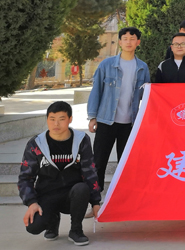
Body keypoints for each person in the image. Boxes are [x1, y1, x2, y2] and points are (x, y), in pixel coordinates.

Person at [18, 101, 102, 246]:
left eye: (61, 119)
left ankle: (76, 230)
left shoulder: (81, 140)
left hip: (71, 195)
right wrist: (31, 202)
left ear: (70, 119)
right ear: (47, 120)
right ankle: (52, 222)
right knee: (33, 227)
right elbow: (25, 177)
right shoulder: (36, 144)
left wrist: (95, 202)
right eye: (52, 119)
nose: (56, 124)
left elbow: (90, 172)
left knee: (82, 188)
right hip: (47, 194)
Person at [87, 26, 150, 192]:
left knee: (126, 162)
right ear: (120, 42)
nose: (129, 42)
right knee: (99, 161)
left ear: (138, 42)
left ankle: (123, 196)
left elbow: (146, 95)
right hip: (106, 120)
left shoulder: (142, 67)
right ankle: (95, 196)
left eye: (132, 39)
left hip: (129, 123)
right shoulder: (106, 64)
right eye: (125, 39)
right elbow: (96, 91)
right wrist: (92, 117)